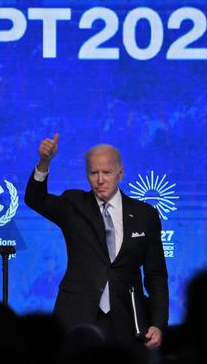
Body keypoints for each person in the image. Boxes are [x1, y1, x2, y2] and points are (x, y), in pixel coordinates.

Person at [24, 134, 169, 361]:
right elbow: (35, 199)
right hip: (77, 316)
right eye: (93, 173)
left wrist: (158, 323)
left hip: (128, 320)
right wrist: (44, 162)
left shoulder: (145, 215)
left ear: (120, 174)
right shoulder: (74, 204)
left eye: (107, 173)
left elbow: (156, 274)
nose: (100, 180)